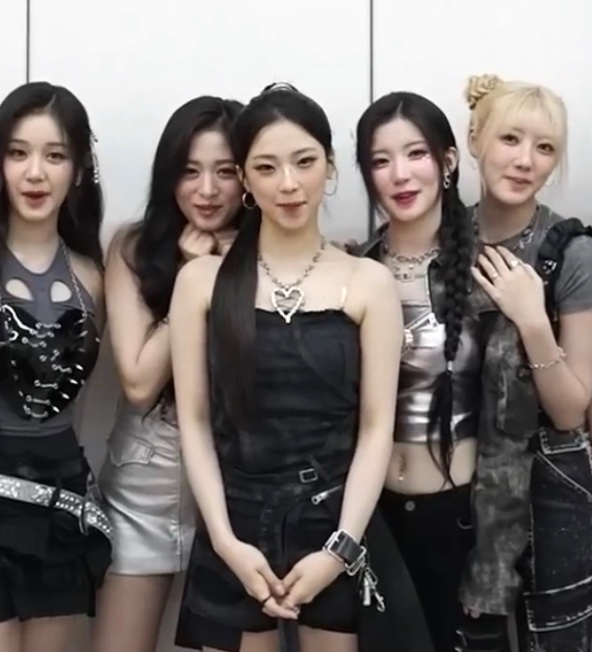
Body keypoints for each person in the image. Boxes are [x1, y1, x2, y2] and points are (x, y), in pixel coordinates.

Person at [169, 81, 435, 652]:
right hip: (234, 526)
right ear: (245, 180)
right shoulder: (201, 282)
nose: (288, 183)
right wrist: (224, 540)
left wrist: (340, 549)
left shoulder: (368, 282)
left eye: (304, 162)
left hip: (334, 523)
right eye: (266, 168)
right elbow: (194, 421)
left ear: (330, 167)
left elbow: (376, 428)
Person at [0, 81, 111, 652]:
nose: (35, 173)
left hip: (59, 509)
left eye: (55, 155)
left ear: (79, 168)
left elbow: (79, 410)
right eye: (18, 153)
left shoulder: (93, 276)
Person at [91, 95, 245, 652]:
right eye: (189, 171)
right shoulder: (134, 247)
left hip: (238, 484)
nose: (207, 190)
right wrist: (192, 276)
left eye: (224, 171)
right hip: (144, 483)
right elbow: (137, 382)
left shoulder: (268, 253)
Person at [458, 74, 592, 652]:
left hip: (547, 488)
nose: (525, 161)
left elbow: (571, 411)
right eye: (510, 139)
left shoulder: (571, 251)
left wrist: (533, 322)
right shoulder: (441, 239)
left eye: (544, 148)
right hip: (452, 485)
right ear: (475, 140)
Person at [354, 91, 490, 651]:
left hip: (459, 518)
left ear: (448, 161)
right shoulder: (355, 270)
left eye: (416, 154)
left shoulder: (487, 268)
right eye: (380, 160)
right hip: (372, 517)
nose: (400, 175)